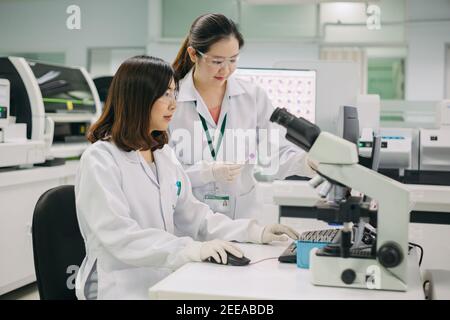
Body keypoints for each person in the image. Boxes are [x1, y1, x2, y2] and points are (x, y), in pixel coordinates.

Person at [74, 55, 298, 300]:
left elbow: (196, 218)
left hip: (165, 279)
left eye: (174, 94)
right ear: (137, 99)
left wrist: (255, 232)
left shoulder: (163, 155)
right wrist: (191, 248)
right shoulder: (100, 159)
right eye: (165, 95)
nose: (173, 104)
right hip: (118, 288)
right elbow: (119, 236)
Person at [170, 13, 314, 221]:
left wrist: (307, 162)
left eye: (233, 60)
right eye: (217, 61)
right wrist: (204, 174)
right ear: (193, 54)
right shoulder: (172, 100)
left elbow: (274, 153)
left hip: (242, 220)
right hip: (189, 224)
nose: (226, 69)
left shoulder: (252, 97)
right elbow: (165, 172)